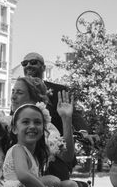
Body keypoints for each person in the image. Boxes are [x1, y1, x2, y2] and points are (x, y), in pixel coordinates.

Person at [19, 52, 87, 180]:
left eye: (33, 62)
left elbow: (75, 115)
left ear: (44, 68)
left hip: (56, 157)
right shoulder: (19, 94)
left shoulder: (59, 91)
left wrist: (83, 132)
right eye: (24, 63)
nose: (28, 65)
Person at [10, 76, 79, 187]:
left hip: (34, 181)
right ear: (15, 128)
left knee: (70, 186)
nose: (13, 97)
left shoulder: (46, 127)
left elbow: (67, 156)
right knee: (53, 181)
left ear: (34, 98)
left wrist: (66, 119)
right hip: (10, 183)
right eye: (13, 92)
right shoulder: (5, 123)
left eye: (19, 93)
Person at [2, 103, 74, 187]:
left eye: (37, 122)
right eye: (25, 122)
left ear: (43, 128)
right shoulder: (18, 149)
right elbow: (24, 176)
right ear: (14, 129)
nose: (32, 126)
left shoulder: (33, 155)